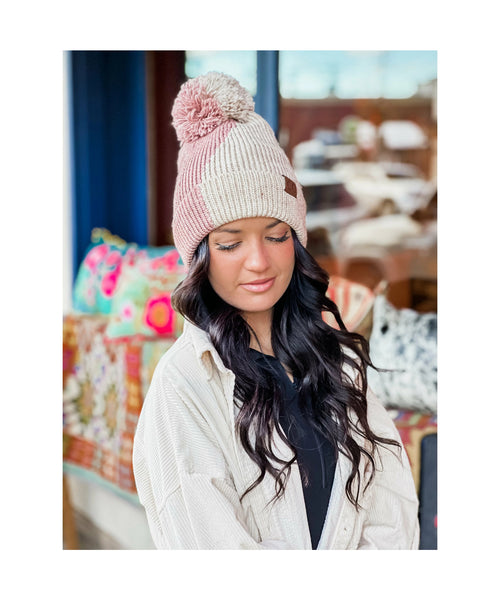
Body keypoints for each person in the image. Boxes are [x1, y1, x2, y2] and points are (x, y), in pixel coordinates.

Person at [133, 72, 419, 550]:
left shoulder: (337, 360)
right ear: (200, 257)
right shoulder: (184, 384)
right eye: (230, 243)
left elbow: (393, 513)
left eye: (276, 235)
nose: (259, 262)